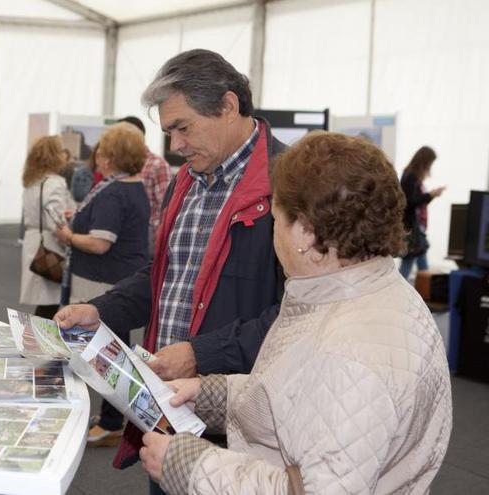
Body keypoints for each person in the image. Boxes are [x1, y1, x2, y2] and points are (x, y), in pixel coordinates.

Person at [139, 131, 452, 495]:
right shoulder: (359, 294)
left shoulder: (348, 350)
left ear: (304, 231)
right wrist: (210, 395)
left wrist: (191, 465)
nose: (274, 233)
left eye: (276, 219)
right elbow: (296, 396)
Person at [53, 49, 287, 481]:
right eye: (169, 132)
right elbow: (164, 277)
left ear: (228, 107)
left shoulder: (288, 183)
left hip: (246, 428)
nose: (175, 146)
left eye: (183, 128)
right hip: (167, 413)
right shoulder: (186, 181)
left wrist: (200, 355)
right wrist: (102, 311)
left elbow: (297, 317)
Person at [56, 122, 151, 446]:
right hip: (115, 281)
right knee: (113, 353)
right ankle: (113, 418)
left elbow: (100, 243)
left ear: (112, 156)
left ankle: (112, 421)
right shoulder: (130, 186)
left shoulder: (116, 191)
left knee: (107, 356)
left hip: (104, 283)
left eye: (103, 151)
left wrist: (68, 236)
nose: (97, 157)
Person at [19, 135, 75, 318]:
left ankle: (38, 339)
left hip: (34, 241)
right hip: (50, 244)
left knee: (45, 302)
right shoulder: (55, 183)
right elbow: (56, 221)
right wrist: (72, 239)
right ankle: (41, 341)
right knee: (50, 302)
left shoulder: (32, 181)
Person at [117, 116, 172, 256]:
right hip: (120, 241)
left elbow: (164, 209)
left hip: (145, 244)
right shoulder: (118, 166)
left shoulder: (157, 165)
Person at [399, 146, 444, 280]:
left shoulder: (412, 176)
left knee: (419, 257)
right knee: (410, 261)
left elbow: (417, 202)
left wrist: (431, 196)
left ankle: (427, 288)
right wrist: (430, 194)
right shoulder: (410, 176)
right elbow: (410, 202)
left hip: (415, 226)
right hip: (411, 227)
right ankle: (421, 288)